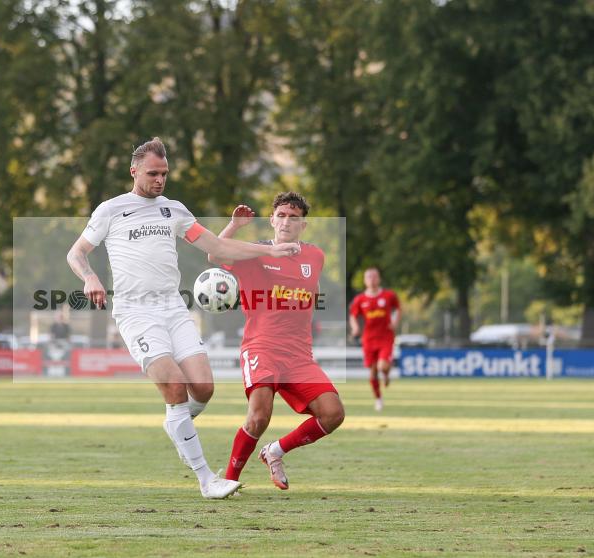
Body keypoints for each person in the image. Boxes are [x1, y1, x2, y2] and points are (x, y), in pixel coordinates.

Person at [66, 137, 302, 499]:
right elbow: (77, 253)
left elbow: (217, 247)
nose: (159, 179)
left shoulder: (173, 210)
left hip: (174, 308)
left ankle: (177, 424)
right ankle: (207, 479)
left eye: (164, 173)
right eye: (152, 173)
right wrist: (90, 277)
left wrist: (271, 250)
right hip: (136, 312)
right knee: (175, 389)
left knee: (203, 389)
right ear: (134, 171)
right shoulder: (111, 210)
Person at [209, 194, 345, 490]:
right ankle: (228, 481)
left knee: (333, 414)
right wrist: (234, 226)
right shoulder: (255, 253)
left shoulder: (315, 256)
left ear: (303, 225)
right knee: (259, 417)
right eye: (281, 215)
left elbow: (311, 290)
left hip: (299, 356)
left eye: (293, 217)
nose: (286, 221)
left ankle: (275, 451)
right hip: (261, 347)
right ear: (272, 220)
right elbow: (215, 254)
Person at [349, 267, 401, 411]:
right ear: (365, 281)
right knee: (372, 372)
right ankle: (378, 398)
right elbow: (353, 315)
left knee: (382, 366)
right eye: (369, 277)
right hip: (369, 339)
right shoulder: (360, 299)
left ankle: (386, 374)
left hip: (386, 337)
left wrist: (395, 322)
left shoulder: (388, 295)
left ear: (379, 279)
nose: (372, 280)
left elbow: (397, 308)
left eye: (374, 277)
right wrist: (355, 328)